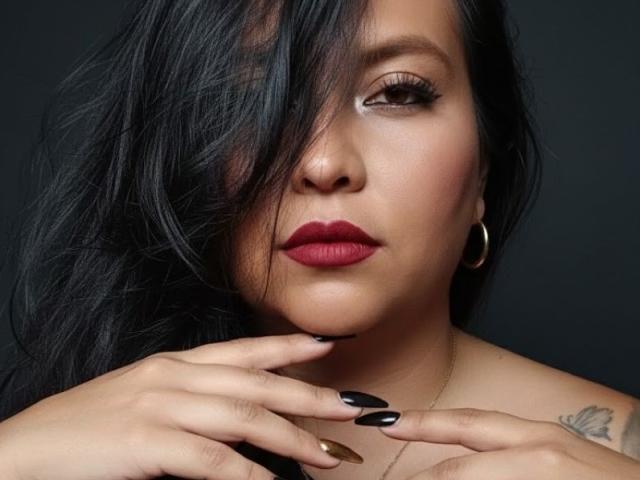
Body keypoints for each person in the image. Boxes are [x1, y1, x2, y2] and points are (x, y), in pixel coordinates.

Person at [0, 0, 638, 479]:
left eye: (397, 93)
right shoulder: (57, 443)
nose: (324, 162)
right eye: (254, 98)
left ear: (483, 171)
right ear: (181, 154)